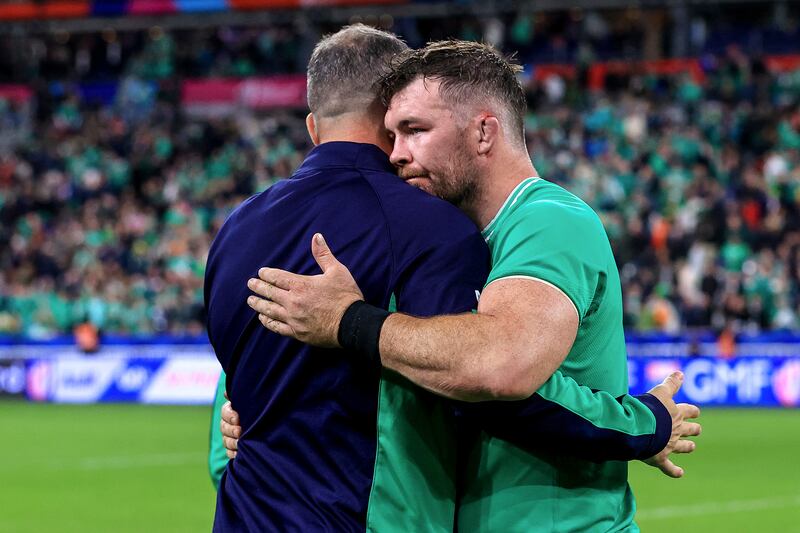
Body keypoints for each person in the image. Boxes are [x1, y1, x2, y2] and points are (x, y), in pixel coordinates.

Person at [244, 40, 701, 532]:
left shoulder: (548, 221)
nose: (395, 155)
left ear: (484, 133)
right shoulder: (451, 241)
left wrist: (348, 321)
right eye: (392, 134)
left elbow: (501, 367)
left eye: (415, 131)